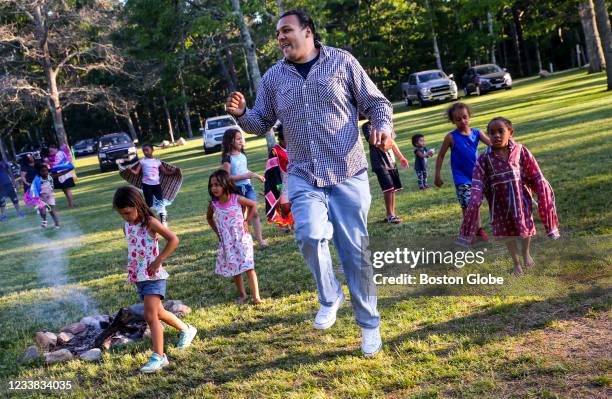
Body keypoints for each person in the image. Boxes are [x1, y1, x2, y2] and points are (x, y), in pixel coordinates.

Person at [225, 9, 394, 356]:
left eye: (286, 30)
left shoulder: (342, 62)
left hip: (347, 171)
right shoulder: (274, 78)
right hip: (303, 173)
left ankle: (369, 326)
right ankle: (330, 295)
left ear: (308, 31)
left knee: (354, 254)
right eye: (278, 34)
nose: (281, 38)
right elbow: (260, 122)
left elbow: (376, 103)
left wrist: (384, 127)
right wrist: (241, 114)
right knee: (309, 235)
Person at [457, 117, 560, 275]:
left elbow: (535, 173)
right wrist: (475, 200)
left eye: (501, 131)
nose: (496, 135)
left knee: (525, 229)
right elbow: (477, 181)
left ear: (510, 133)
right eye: (492, 133)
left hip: (521, 201)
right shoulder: (485, 158)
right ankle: (516, 262)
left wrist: (540, 188)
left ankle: (525, 253)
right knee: (507, 234)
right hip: (500, 205)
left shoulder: (520, 150)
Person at [113, 186, 197, 373]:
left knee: (150, 316)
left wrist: (158, 260)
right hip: (140, 278)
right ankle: (186, 329)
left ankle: (159, 357)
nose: (125, 217)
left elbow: (173, 239)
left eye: (127, 212)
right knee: (158, 313)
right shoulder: (126, 225)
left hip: (154, 277)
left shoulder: (150, 223)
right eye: (121, 214)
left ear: (137, 205)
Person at [435, 102, 490, 240]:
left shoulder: (477, 133)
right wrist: (437, 175)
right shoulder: (451, 137)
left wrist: (509, 143)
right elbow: (441, 156)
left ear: (469, 116)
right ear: (453, 121)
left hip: (477, 176)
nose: (462, 121)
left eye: (465, 117)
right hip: (461, 178)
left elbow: (492, 144)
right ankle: (467, 231)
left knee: (476, 203)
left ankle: (478, 228)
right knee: (467, 204)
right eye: (458, 119)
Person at [206, 170, 263, 305]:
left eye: (217, 185)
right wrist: (218, 232)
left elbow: (253, 205)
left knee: (248, 266)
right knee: (235, 269)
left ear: (226, 184)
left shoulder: (236, 198)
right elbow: (209, 218)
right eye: (212, 185)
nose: (214, 188)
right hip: (227, 241)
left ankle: (256, 297)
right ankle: (242, 295)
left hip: (242, 238)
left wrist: (246, 221)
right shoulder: (213, 205)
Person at [221, 128, 268, 248]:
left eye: (241, 138)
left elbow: (245, 170)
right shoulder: (227, 158)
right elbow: (225, 178)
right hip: (236, 190)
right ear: (230, 141)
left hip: (248, 187)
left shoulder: (242, 155)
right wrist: (244, 176)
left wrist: (256, 176)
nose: (241, 141)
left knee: (255, 212)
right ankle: (244, 241)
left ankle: (261, 241)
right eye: (238, 139)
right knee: (240, 216)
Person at [362, 121, 408, 224]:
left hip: (391, 161)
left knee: (392, 189)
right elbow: (373, 142)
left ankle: (392, 214)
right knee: (388, 188)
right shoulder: (367, 126)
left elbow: (392, 142)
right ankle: (390, 215)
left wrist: (401, 157)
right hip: (379, 162)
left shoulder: (386, 123)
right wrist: (375, 126)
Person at [128, 144, 180, 226]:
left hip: (157, 185)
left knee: (160, 203)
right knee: (149, 204)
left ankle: (164, 221)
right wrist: (130, 170)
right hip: (146, 185)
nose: (145, 152)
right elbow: (136, 172)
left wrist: (174, 172)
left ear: (152, 150)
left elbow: (165, 172)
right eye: (143, 150)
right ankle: (149, 221)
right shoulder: (142, 161)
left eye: (147, 149)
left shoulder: (157, 162)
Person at [264, 125, 294, 230]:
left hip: (296, 180)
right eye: (287, 140)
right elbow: (271, 171)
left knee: (297, 204)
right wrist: (278, 186)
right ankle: (285, 221)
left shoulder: (295, 147)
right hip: (282, 182)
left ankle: (295, 224)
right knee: (286, 207)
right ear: (280, 139)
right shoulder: (275, 151)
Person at [27, 164, 60, 228]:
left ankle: (57, 224)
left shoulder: (50, 176)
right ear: (40, 172)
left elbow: (61, 173)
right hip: (41, 197)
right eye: (43, 171)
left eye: (46, 171)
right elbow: (34, 188)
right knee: (42, 211)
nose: (45, 172)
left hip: (50, 195)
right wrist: (36, 198)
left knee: (52, 211)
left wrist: (69, 168)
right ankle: (44, 220)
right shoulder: (37, 179)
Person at [47, 144, 76, 208]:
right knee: (65, 190)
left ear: (55, 149)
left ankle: (71, 205)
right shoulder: (61, 153)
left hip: (63, 175)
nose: (51, 153)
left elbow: (58, 165)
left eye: (51, 151)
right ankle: (71, 204)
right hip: (66, 173)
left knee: (67, 190)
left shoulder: (58, 155)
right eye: (50, 151)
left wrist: (50, 167)